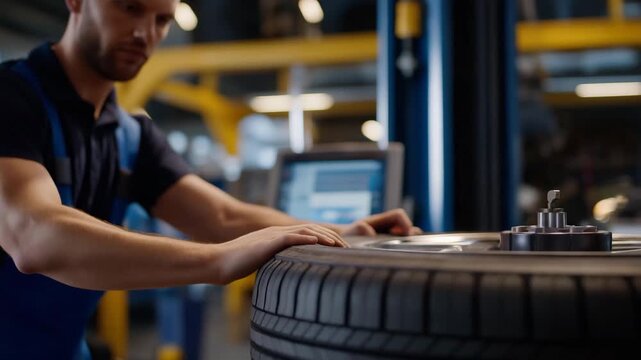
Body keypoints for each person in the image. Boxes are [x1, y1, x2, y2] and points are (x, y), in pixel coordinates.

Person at [0, 0, 420, 358]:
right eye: (130, 8)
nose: (145, 33)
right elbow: (34, 234)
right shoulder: (11, 98)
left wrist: (341, 233)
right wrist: (218, 261)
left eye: (163, 19)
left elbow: (222, 216)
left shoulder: (130, 136)